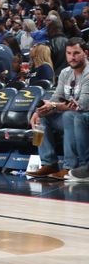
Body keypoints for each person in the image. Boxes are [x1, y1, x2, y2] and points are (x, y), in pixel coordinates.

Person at [28, 39, 89, 180]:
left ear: (85, 53)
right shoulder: (65, 73)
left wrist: (54, 106)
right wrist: (40, 111)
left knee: (69, 115)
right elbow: (57, 97)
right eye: (68, 53)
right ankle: (48, 163)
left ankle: (70, 167)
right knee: (42, 117)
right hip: (72, 116)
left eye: (76, 53)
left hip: (84, 117)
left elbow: (83, 104)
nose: (71, 57)